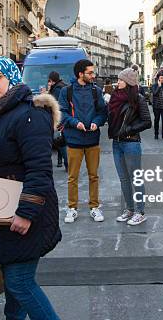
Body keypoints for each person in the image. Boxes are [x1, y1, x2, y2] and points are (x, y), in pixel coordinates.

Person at [0, 57, 62, 319]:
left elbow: (39, 170)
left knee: (19, 282)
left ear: (12, 79)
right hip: (4, 212)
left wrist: (26, 212)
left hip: (26, 212)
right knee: (13, 284)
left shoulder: (30, 114)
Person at [59, 59, 108, 224]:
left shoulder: (97, 91)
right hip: (74, 140)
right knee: (73, 177)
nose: (93, 75)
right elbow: (62, 113)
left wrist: (97, 121)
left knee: (94, 176)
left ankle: (94, 207)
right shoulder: (66, 91)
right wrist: (75, 123)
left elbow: (103, 112)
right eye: (90, 73)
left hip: (93, 140)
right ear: (81, 74)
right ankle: (72, 208)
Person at [108, 67, 151, 225]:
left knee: (135, 179)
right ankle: (129, 209)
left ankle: (140, 211)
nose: (117, 82)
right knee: (124, 179)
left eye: (120, 80)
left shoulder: (138, 99)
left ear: (127, 82)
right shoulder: (115, 97)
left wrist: (129, 129)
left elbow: (147, 122)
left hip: (131, 143)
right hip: (117, 143)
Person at [48, 71, 68, 169]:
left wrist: (47, 93)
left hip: (58, 118)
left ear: (51, 80)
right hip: (63, 116)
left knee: (59, 140)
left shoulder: (56, 89)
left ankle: (67, 163)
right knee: (60, 140)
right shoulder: (63, 86)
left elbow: (52, 103)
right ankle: (62, 161)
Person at [151, 73, 163, 141]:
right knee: (156, 121)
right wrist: (159, 87)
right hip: (157, 107)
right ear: (158, 79)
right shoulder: (154, 86)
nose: (162, 79)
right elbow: (154, 93)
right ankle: (156, 134)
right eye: (161, 78)